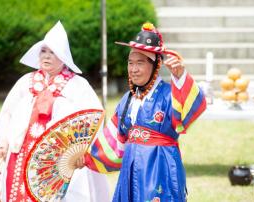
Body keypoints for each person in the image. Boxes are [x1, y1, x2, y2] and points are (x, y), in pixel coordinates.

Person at [82, 22, 207, 202]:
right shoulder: (127, 99)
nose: (133, 69)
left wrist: (180, 77)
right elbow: (113, 140)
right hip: (130, 169)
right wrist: (86, 158)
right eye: (130, 63)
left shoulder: (169, 94)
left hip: (160, 166)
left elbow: (196, 105)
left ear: (156, 65)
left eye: (140, 63)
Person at [0, 21, 110, 202]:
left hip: (58, 159)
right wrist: (2, 140)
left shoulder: (78, 85)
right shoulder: (26, 81)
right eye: (44, 51)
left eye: (53, 52)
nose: (47, 57)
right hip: (21, 152)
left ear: (63, 57)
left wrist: (82, 151)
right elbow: (7, 112)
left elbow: (93, 120)